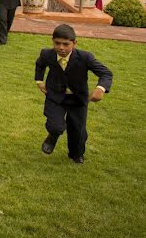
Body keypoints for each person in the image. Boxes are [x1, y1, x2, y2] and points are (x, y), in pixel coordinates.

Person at [34, 24, 112, 164]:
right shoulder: (47, 54)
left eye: (66, 44)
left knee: (77, 130)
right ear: (52, 41)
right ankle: (53, 135)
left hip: (78, 99)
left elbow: (105, 73)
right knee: (55, 126)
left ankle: (76, 154)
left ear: (74, 43)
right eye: (57, 43)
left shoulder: (85, 57)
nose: (61, 48)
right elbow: (40, 64)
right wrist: (39, 81)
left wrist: (100, 89)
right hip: (55, 97)